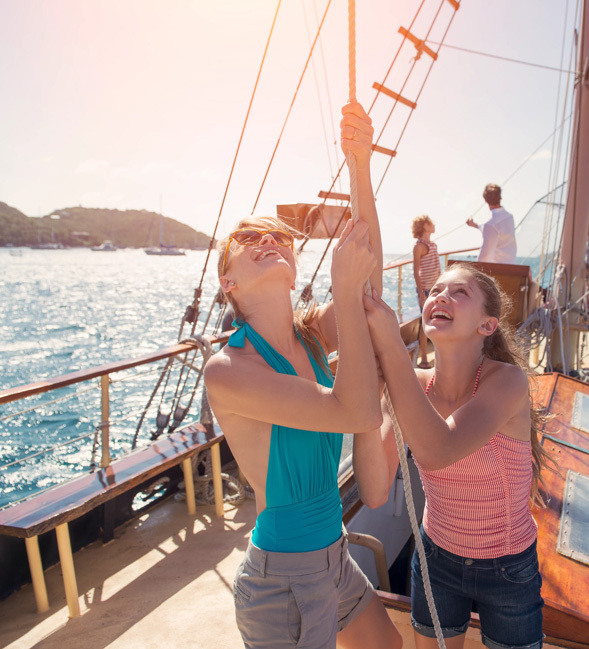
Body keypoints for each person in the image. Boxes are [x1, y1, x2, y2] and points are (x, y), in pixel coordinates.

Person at [204, 102, 402, 649]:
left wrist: (359, 164)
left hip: (333, 554)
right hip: (282, 580)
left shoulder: (311, 334)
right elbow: (356, 411)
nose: (269, 240)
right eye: (249, 241)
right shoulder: (229, 370)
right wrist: (343, 284)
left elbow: (367, 282)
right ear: (229, 284)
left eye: (279, 237)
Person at [355, 263, 551, 649]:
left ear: (487, 325)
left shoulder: (507, 382)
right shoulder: (412, 385)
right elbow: (375, 492)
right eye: (434, 291)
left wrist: (392, 351)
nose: (440, 296)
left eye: (459, 293)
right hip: (435, 559)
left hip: (508, 567)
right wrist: (372, 395)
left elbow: (437, 450)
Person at [411, 215, 440, 369]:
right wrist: (422, 294)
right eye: (431, 223)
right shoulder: (419, 247)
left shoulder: (433, 245)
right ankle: (423, 358)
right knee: (425, 323)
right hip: (426, 290)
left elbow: (436, 268)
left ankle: (439, 354)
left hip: (436, 289)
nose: (434, 225)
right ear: (425, 226)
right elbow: (416, 272)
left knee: (437, 320)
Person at [466, 183, 517, 264]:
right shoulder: (509, 217)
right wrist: (474, 225)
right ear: (500, 197)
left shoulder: (490, 224)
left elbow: (484, 257)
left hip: (496, 271)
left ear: (485, 200)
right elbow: (493, 229)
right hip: (511, 266)